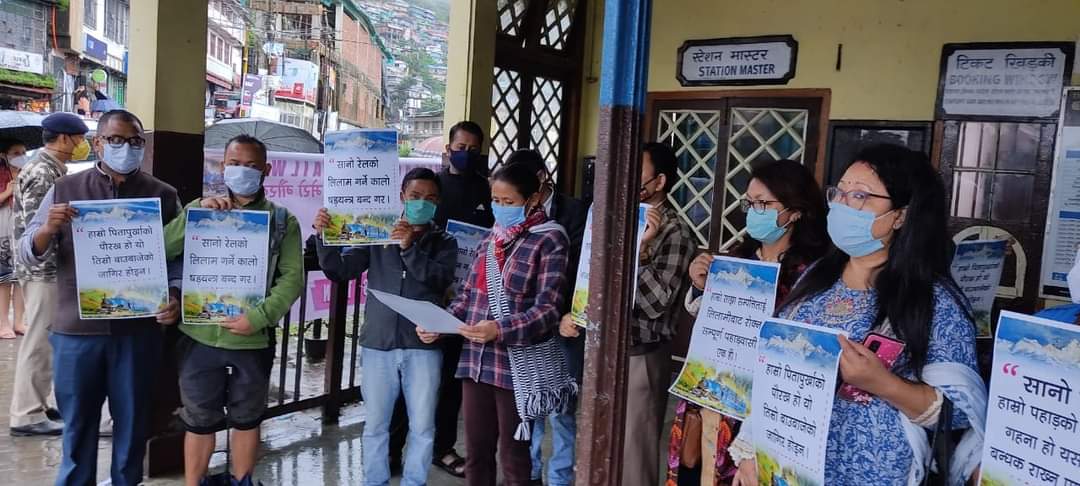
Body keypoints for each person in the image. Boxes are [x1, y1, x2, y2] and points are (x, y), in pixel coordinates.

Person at [730, 144, 986, 486]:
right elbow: (776, 373)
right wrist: (750, 450)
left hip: (876, 474)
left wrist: (884, 384)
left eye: (861, 196)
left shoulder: (933, 299)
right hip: (788, 465)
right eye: (840, 192)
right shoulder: (817, 277)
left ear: (901, 215)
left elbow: (959, 413)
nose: (843, 204)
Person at [19, 110, 182, 485]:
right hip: (76, 332)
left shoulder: (164, 195)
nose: (126, 147)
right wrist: (47, 228)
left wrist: (174, 295)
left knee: (132, 425)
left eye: (135, 141)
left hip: (138, 333)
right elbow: (28, 251)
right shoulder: (65, 189)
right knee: (78, 427)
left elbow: (177, 260)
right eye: (116, 140)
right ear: (98, 143)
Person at [666, 159, 829, 486]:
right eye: (750, 203)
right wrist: (701, 285)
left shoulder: (813, 274)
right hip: (715, 392)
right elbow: (713, 321)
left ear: (795, 210)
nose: (754, 211)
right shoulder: (735, 259)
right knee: (695, 470)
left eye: (764, 204)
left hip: (767, 407)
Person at [163, 134, 304, 486]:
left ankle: (242, 481)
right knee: (198, 419)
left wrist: (258, 318)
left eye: (251, 166)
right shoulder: (200, 209)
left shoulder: (283, 221)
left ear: (266, 170)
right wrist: (194, 216)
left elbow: (292, 279)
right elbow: (162, 248)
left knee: (247, 419)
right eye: (234, 164)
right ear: (222, 167)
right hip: (197, 337)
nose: (242, 171)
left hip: (251, 340)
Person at [425, 162, 570, 486]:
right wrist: (440, 322)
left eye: (509, 203)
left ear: (532, 200)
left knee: (515, 457)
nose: (500, 209)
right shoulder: (491, 240)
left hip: (516, 367)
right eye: (495, 201)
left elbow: (548, 309)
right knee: (476, 452)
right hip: (475, 362)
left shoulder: (549, 240)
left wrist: (500, 329)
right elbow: (466, 297)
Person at [315, 167, 458, 486]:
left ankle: (414, 481)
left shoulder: (445, 242)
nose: (423, 202)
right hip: (378, 345)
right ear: (401, 197)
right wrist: (325, 237)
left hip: (423, 348)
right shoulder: (377, 233)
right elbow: (341, 270)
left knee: (422, 426)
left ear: (438, 204)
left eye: (431, 198)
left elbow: (439, 279)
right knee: (376, 425)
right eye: (416, 196)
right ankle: (374, 481)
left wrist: (409, 248)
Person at [397, 120, 493, 478]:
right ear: (446, 149)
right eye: (459, 146)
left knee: (452, 376)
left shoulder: (486, 190)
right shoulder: (431, 187)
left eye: (472, 149)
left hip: (466, 296)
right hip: (422, 290)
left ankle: (443, 447)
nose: (464, 153)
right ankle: (398, 446)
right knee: (408, 375)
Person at [502, 149, 588, 486]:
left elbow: (585, 267)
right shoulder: (511, 215)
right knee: (529, 400)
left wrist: (571, 313)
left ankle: (560, 477)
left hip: (565, 323)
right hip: (525, 324)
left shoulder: (577, 212)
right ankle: (531, 471)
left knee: (563, 405)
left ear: (541, 179)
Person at [9, 112, 91, 437]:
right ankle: (26, 414)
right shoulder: (43, 172)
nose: (82, 145)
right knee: (39, 341)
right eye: (80, 139)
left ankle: (41, 404)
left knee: (49, 339)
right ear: (64, 139)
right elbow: (36, 228)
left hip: (48, 268)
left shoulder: (51, 168)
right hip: (42, 268)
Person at [623, 142, 696, 486]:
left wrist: (641, 251)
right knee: (603, 439)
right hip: (607, 346)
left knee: (635, 448)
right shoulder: (618, 219)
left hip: (643, 350)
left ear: (659, 181)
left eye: (637, 173)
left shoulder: (675, 231)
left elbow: (655, 304)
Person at [0, 139, 28, 339]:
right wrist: (8, 191)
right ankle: (3, 323)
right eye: (16, 152)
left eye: (23, 152)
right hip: (2, 227)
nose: (21, 156)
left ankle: (19, 321)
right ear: (4, 155)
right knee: (4, 279)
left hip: (22, 227)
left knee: (20, 277)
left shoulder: (28, 173)